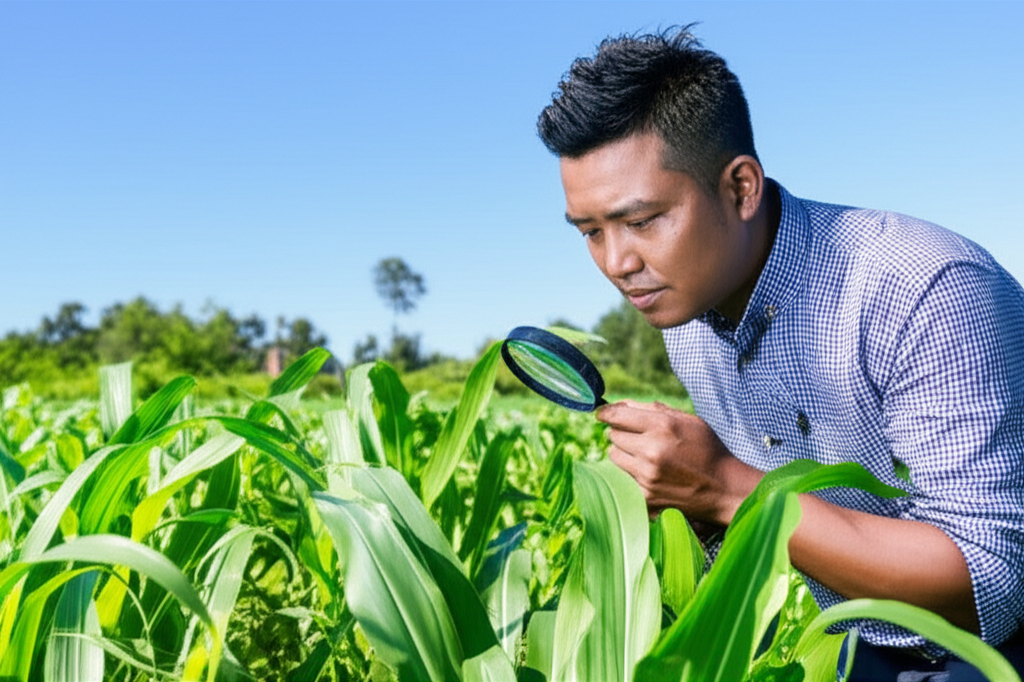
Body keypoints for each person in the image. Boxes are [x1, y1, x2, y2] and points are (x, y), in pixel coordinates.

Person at [536, 26, 1024, 680]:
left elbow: (989, 583)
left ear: (740, 188)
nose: (617, 263)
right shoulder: (684, 317)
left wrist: (729, 490)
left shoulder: (920, 288)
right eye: (591, 232)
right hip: (862, 642)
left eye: (643, 221)